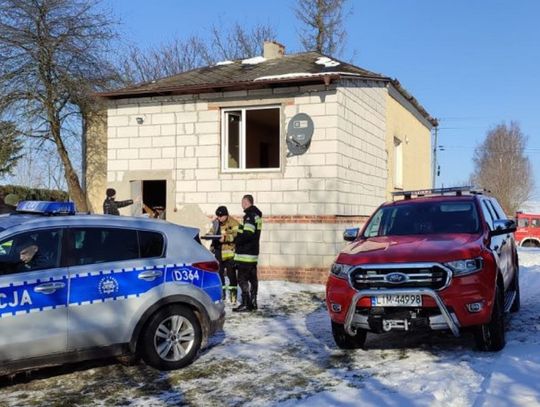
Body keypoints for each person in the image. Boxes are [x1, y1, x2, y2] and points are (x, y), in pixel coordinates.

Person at [233, 194, 263, 312]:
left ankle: (246, 303)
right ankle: (253, 302)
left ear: (246, 202)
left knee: (241, 278)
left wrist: (237, 240)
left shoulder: (250, 216)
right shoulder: (257, 216)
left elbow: (248, 234)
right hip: (253, 254)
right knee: (252, 278)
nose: (242, 205)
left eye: (242, 202)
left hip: (245, 254)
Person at [208, 206, 239, 303]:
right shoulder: (217, 223)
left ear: (226, 215)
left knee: (231, 275)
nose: (219, 218)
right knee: (219, 275)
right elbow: (212, 232)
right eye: (218, 216)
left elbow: (237, 236)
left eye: (221, 216)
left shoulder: (234, 223)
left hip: (230, 254)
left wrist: (225, 238)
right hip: (219, 252)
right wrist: (209, 236)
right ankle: (222, 294)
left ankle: (233, 296)